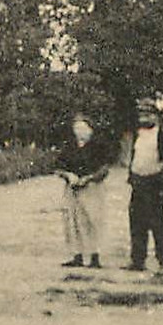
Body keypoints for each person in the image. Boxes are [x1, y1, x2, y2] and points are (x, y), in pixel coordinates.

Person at [125, 97, 163, 272]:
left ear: (156, 116)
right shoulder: (137, 134)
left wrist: (161, 169)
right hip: (138, 181)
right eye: (141, 114)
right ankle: (138, 260)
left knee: (157, 221)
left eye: (148, 114)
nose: (144, 118)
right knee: (136, 222)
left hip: (155, 182)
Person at [56, 113, 114, 268]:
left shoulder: (98, 146)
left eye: (83, 128)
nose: (80, 131)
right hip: (72, 188)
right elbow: (58, 167)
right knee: (72, 221)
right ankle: (77, 255)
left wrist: (89, 178)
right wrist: (68, 175)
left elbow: (105, 169)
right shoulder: (69, 147)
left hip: (92, 188)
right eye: (77, 128)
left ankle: (95, 256)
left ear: (91, 129)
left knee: (92, 220)